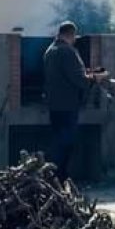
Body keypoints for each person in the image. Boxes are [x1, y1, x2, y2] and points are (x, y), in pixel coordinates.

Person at [43, 22, 107, 181]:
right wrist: (94, 78)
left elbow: (66, 74)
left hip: (54, 104)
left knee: (58, 140)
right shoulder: (67, 51)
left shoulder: (50, 50)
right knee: (65, 144)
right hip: (67, 104)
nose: (75, 40)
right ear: (70, 34)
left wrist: (87, 73)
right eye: (74, 37)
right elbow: (78, 80)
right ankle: (58, 177)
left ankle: (54, 177)